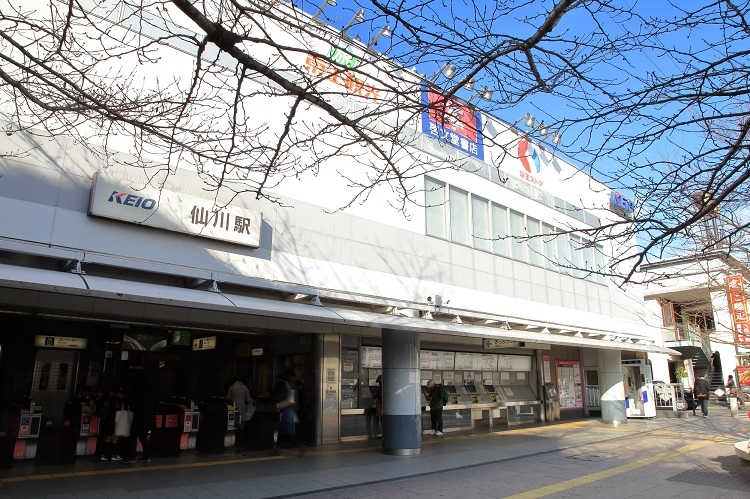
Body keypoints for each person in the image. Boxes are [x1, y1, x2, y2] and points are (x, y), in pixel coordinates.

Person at [123, 371, 154, 464]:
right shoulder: (150, 388)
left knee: (133, 436)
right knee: (143, 436)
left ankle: (131, 457)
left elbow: (132, 401)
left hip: (138, 416)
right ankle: (147, 456)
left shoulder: (137, 388)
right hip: (148, 417)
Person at [270, 373, 304, 457]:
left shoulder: (282, 384)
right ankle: (276, 450)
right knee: (282, 432)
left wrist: (276, 405)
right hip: (290, 410)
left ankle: (300, 446)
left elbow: (278, 397)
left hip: (286, 410)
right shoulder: (293, 385)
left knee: (288, 433)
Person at [95, 387, 123, 461]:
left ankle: (104, 454)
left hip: (108, 421)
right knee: (114, 438)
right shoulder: (116, 401)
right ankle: (113, 454)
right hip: (114, 421)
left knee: (108, 437)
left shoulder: (107, 400)